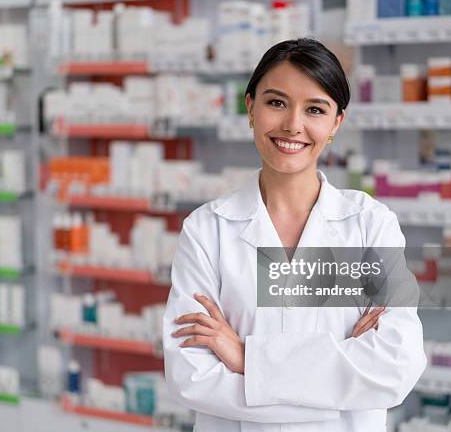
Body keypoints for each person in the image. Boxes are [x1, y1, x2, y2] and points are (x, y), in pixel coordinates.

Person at [162, 38, 426, 432]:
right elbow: (192, 379)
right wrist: (337, 392)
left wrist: (246, 358)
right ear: (250, 107)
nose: (293, 125)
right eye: (276, 102)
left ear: (336, 122)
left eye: (315, 109)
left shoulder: (370, 225)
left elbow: (395, 368)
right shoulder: (206, 230)